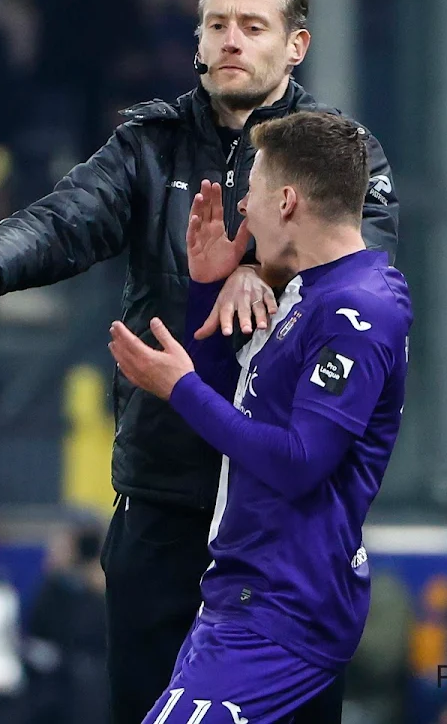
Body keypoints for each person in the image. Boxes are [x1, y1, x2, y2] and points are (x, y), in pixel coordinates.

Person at [0, 0, 399, 722]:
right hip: (163, 494)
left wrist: (265, 275)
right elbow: (70, 213)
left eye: (252, 25)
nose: (230, 40)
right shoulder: (150, 144)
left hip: (284, 518)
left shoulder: (338, 156)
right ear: (197, 40)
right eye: (216, 24)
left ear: (295, 46)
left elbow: (361, 270)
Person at [108, 110, 412, 723]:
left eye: (253, 189)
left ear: (289, 201)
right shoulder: (307, 291)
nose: (244, 206)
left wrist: (180, 389)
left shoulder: (360, 309)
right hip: (242, 592)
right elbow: (240, 407)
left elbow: (301, 462)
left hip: (286, 605)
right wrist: (206, 287)